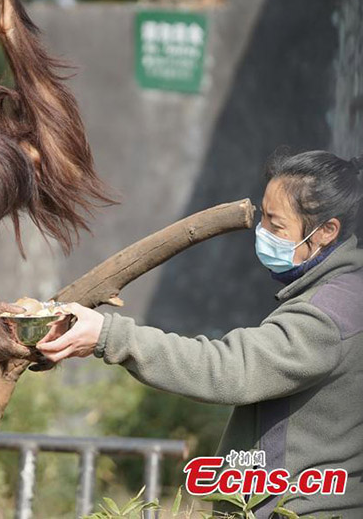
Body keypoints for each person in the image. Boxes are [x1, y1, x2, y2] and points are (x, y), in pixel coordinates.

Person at [36, 150, 363, 517]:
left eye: (276, 225)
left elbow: (232, 369)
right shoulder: (333, 295)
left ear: (327, 231)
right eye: (263, 219)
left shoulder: (334, 312)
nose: (263, 234)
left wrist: (110, 336)